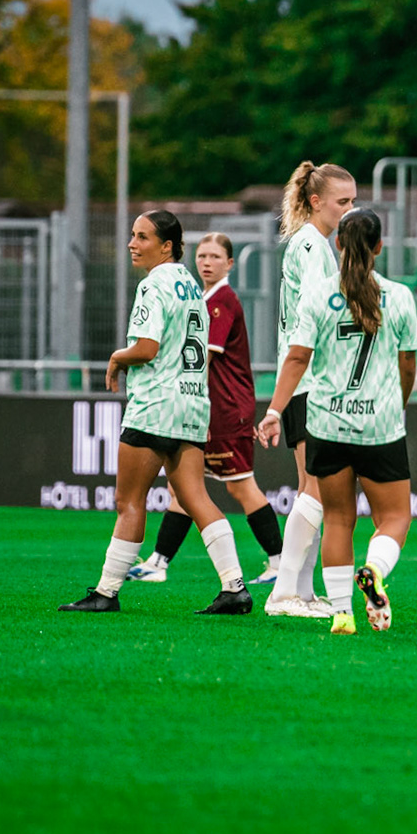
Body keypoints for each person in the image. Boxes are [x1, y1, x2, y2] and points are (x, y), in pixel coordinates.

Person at [58, 211, 249, 616]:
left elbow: (146, 348)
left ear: (166, 246)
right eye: (132, 235)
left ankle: (106, 592)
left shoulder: (153, 285)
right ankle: (234, 587)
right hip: (194, 403)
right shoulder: (194, 287)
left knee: (129, 501)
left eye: (142, 237)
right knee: (196, 498)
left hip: (155, 406)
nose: (132, 243)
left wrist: (115, 357)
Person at [256, 209, 417, 635]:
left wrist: (274, 411)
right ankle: (375, 568)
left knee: (338, 518)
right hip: (380, 424)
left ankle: (343, 612)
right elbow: (407, 365)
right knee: (395, 517)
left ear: (339, 246)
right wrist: (396, 403)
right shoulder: (399, 296)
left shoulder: (318, 297)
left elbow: (297, 358)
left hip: (327, 422)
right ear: (380, 246)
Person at [127, 233, 285, 585]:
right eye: (202, 256)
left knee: (240, 487)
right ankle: (158, 561)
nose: (206, 262)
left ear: (230, 264)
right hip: (209, 405)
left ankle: (279, 563)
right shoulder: (203, 297)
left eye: (215, 257)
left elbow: (205, 358)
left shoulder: (222, 301)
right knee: (183, 488)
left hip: (226, 408)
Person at [264, 161, 358, 618]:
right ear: (316, 201)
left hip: (304, 380)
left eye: (353, 201)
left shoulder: (311, 243)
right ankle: (284, 592)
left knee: (311, 488)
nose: (350, 209)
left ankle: (300, 592)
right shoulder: (313, 246)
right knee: (317, 489)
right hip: (311, 380)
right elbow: (318, 319)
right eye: (343, 202)